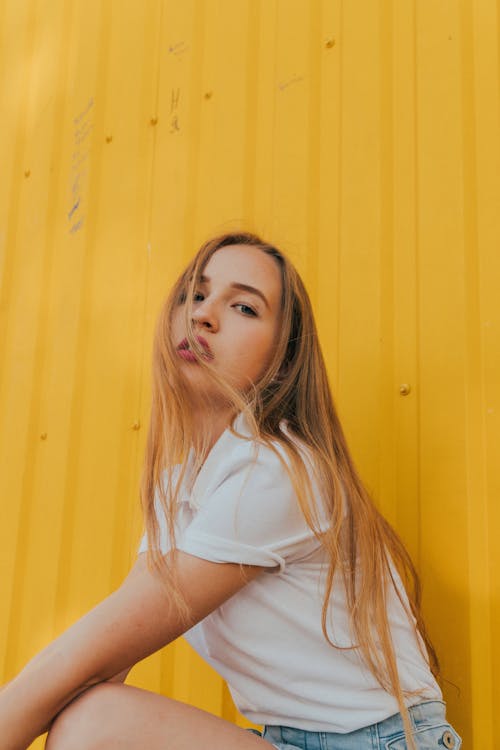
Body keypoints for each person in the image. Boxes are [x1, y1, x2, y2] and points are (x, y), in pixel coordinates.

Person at [0, 231, 462, 750]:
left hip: (384, 742)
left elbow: (88, 659)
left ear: (283, 359)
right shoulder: (180, 483)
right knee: (93, 718)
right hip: (288, 740)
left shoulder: (280, 469)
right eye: (194, 295)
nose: (204, 315)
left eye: (243, 306)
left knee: (95, 723)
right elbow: (107, 655)